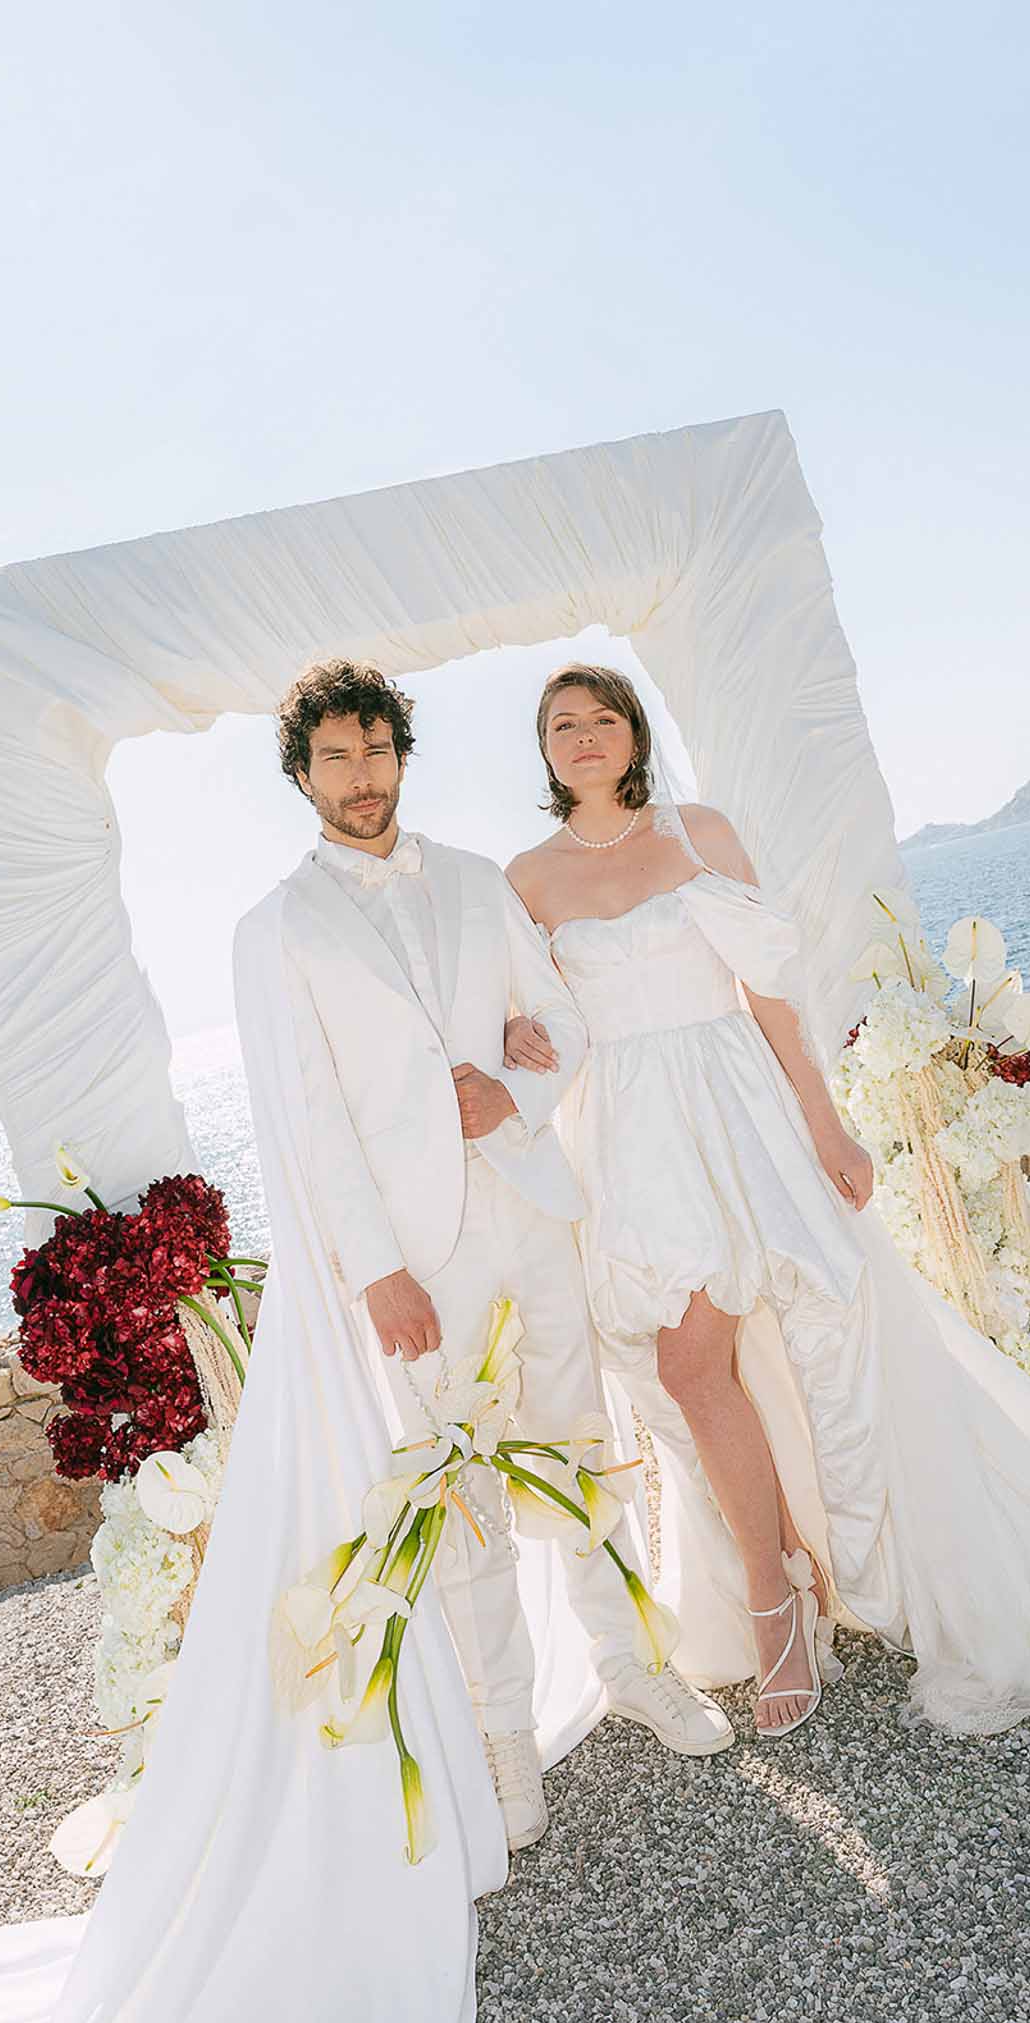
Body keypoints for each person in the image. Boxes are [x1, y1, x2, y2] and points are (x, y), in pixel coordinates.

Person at [503, 660, 1030, 1749]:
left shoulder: (700, 831)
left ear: (632, 734)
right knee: (686, 1362)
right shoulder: (526, 878)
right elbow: (526, 1014)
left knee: (775, 1340)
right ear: (544, 749)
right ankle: (777, 1592)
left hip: (735, 1103)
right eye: (560, 724)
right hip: (627, 1131)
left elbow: (768, 994)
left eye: (600, 718)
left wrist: (823, 1122)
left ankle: (815, 1582)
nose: (582, 737)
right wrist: (515, 1036)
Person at [268, 657, 733, 1846]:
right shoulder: (286, 929)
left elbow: (565, 1021)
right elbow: (315, 1114)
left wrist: (513, 1091)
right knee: (465, 1493)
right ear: (303, 771)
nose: (361, 774)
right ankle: (504, 1737)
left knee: (583, 1452)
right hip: (421, 1257)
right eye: (336, 755)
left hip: (532, 1210)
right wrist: (378, 1270)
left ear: (401, 754)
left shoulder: (481, 882)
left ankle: (632, 1664)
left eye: (377, 749)